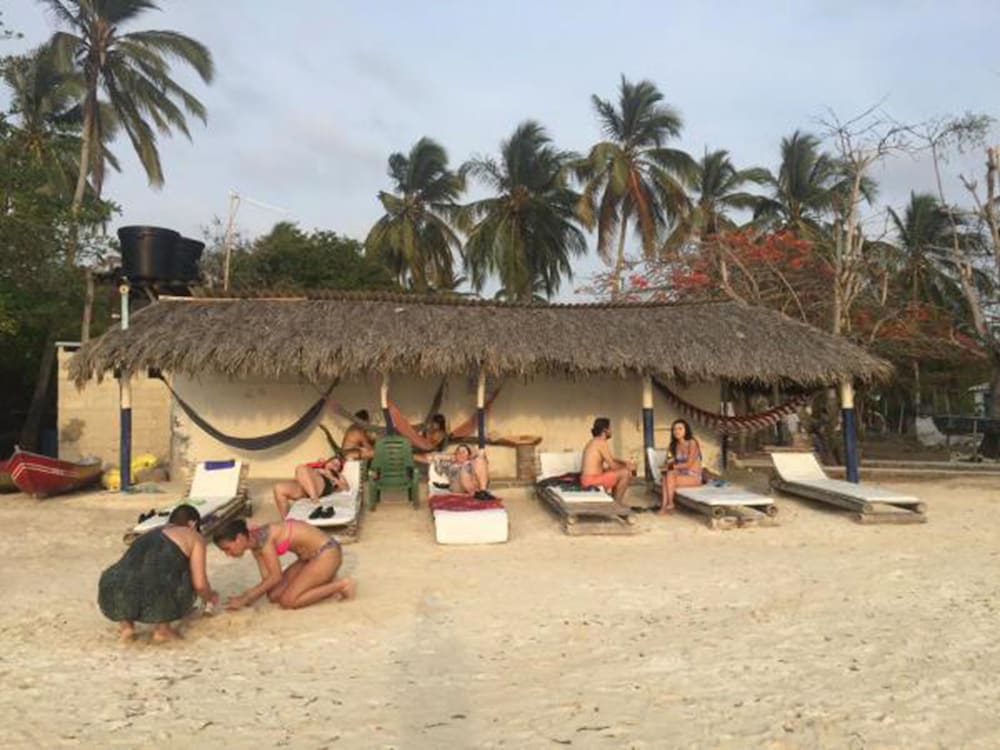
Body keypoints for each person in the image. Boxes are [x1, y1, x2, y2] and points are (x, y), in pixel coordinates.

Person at [98, 504, 217, 642]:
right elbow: (200, 584)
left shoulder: (151, 531)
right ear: (192, 523)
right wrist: (210, 597)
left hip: (112, 584)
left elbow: (131, 565)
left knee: (135, 575)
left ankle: (127, 628)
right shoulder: (193, 536)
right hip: (155, 588)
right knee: (173, 574)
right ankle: (163, 629)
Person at [213, 519, 355, 610]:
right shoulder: (254, 543)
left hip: (327, 553)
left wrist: (246, 598)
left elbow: (275, 576)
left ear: (239, 539)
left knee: (288, 601)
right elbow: (268, 579)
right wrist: (247, 599)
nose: (228, 554)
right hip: (307, 559)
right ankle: (321, 582)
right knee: (274, 595)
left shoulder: (264, 539)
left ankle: (341, 585)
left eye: (227, 549)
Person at [273, 455, 350, 518]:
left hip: (320, 487)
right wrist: (317, 466)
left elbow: (346, 489)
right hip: (304, 488)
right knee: (278, 488)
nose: (333, 465)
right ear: (327, 462)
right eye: (332, 462)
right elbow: (302, 472)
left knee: (301, 467)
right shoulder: (318, 466)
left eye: (337, 465)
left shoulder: (337, 476)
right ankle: (286, 521)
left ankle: (315, 501)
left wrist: (329, 476)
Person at [580, 417, 635, 504]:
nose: (611, 431)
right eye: (610, 428)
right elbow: (613, 465)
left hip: (589, 479)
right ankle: (616, 504)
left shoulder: (596, 441)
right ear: (605, 430)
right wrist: (628, 467)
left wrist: (624, 463)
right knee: (625, 473)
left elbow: (612, 459)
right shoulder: (600, 442)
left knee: (616, 470)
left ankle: (613, 501)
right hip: (591, 481)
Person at [660, 419, 703, 514]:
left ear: (686, 430)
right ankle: (667, 505)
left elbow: (688, 464)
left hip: (693, 476)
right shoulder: (673, 445)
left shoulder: (692, 443)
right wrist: (667, 466)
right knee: (667, 476)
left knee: (667, 478)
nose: (677, 431)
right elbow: (669, 462)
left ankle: (667, 506)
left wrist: (671, 467)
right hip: (681, 475)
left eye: (680, 429)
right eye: (674, 429)